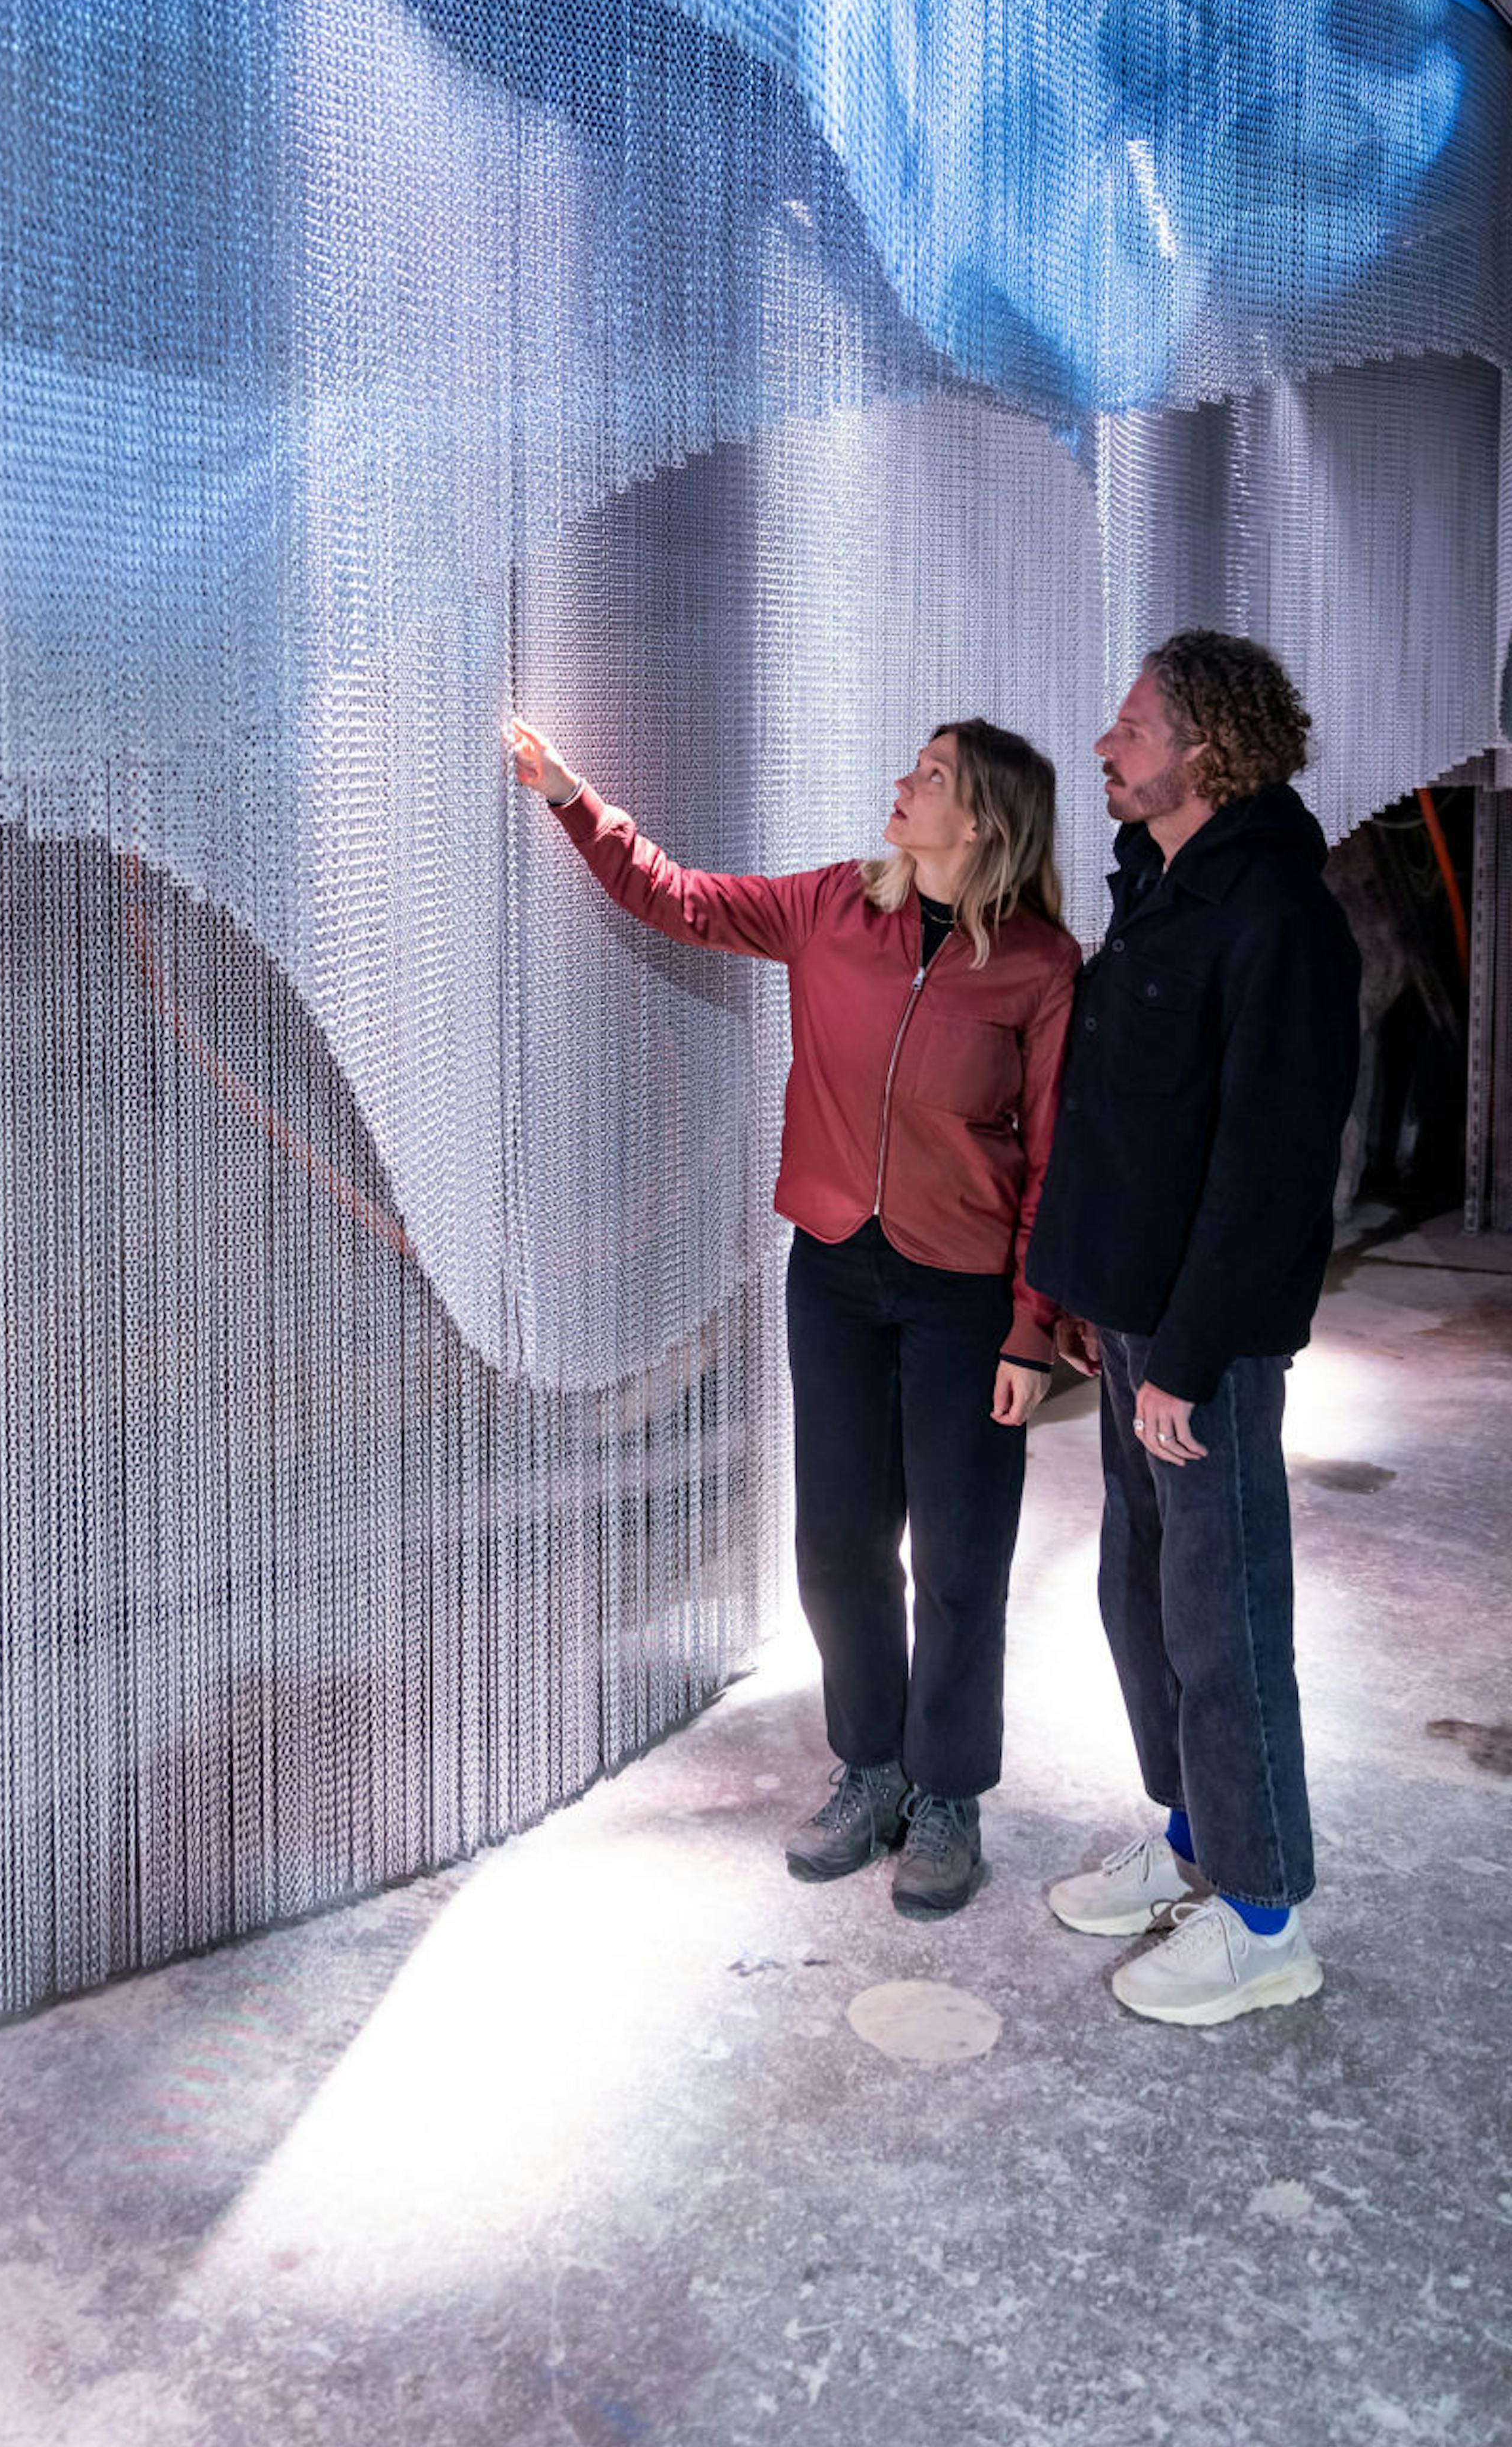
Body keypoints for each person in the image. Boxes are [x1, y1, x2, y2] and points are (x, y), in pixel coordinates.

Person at [507, 713, 1079, 1917]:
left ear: (980, 821)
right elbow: (682, 900)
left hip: (965, 1292)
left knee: (963, 1561)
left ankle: (951, 1794)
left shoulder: (1039, 964)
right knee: (837, 1545)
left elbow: (1058, 1165)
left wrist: (1035, 1331)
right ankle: (872, 1767)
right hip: (835, 1267)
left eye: (929, 777)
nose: (902, 783)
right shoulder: (833, 906)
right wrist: (571, 797)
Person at [1029, 631, 1360, 2027]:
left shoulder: (1277, 910)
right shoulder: (1167, 886)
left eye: (1131, 727)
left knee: (1223, 1620)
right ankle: (1190, 1842)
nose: (1105, 747)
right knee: (1142, 1600)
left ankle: (1266, 1914)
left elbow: (1272, 1161)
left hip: (1196, 1342)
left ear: (1205, 748)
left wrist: (1191, 1351)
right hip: (1132, 1319)